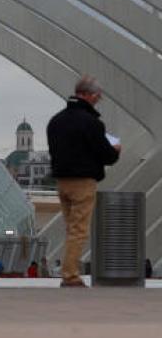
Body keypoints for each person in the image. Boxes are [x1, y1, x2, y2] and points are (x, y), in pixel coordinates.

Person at [47, 75, 121, 288]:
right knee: (79, 230)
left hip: (61, 182)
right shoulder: (92, 123)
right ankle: (70, 276)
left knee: (71, 228)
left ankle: (69, 272)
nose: (98, 100)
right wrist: (115, 150)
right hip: (83, 182)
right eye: (97, 96)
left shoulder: (56, 121)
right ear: (88, 95)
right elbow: (106, 155)